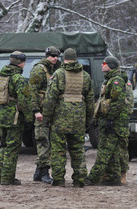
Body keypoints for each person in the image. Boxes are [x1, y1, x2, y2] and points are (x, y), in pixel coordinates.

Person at [42, 48, 94, 187]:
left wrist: (46, 118)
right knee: (78, 150)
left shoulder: (58, 74)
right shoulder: (86, 76)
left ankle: (58, 179)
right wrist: (88, 119)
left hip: (60, 120)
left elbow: (50, 99)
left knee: (58, 151)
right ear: (76, 59)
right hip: (79, 120)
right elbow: (90, 101)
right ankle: (80, 179)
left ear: (64, 59)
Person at [86, 56, 130, 186]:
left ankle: (92, 178)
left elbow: (118, 102)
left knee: (104, 151)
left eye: (104, 63)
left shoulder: (116, 81)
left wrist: (110, 118)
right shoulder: (110, 79)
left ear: (110, 66)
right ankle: (114, 177)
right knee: (113, 152)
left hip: (114, 122)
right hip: (109, 120)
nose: (102, 65)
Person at [0, 51, 33, 185]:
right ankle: (7, 178)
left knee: (4, 147)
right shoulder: (18, 79)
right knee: (12, 148)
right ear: (21, 63)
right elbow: (24, 100)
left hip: (0, 117)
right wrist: (29, 118)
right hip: (14, 118)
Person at [28, 46, 62, 184]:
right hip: (42, 111)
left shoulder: (56, 69)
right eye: (52, 56)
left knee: (48, 141)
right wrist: (36, 110)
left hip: (52, 111)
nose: (55, 58)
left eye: (56, 56)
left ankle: (38, 172)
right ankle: (44, 173)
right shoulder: (39, 69)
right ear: (47, 55)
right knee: (43, 141)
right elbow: (32, 91)